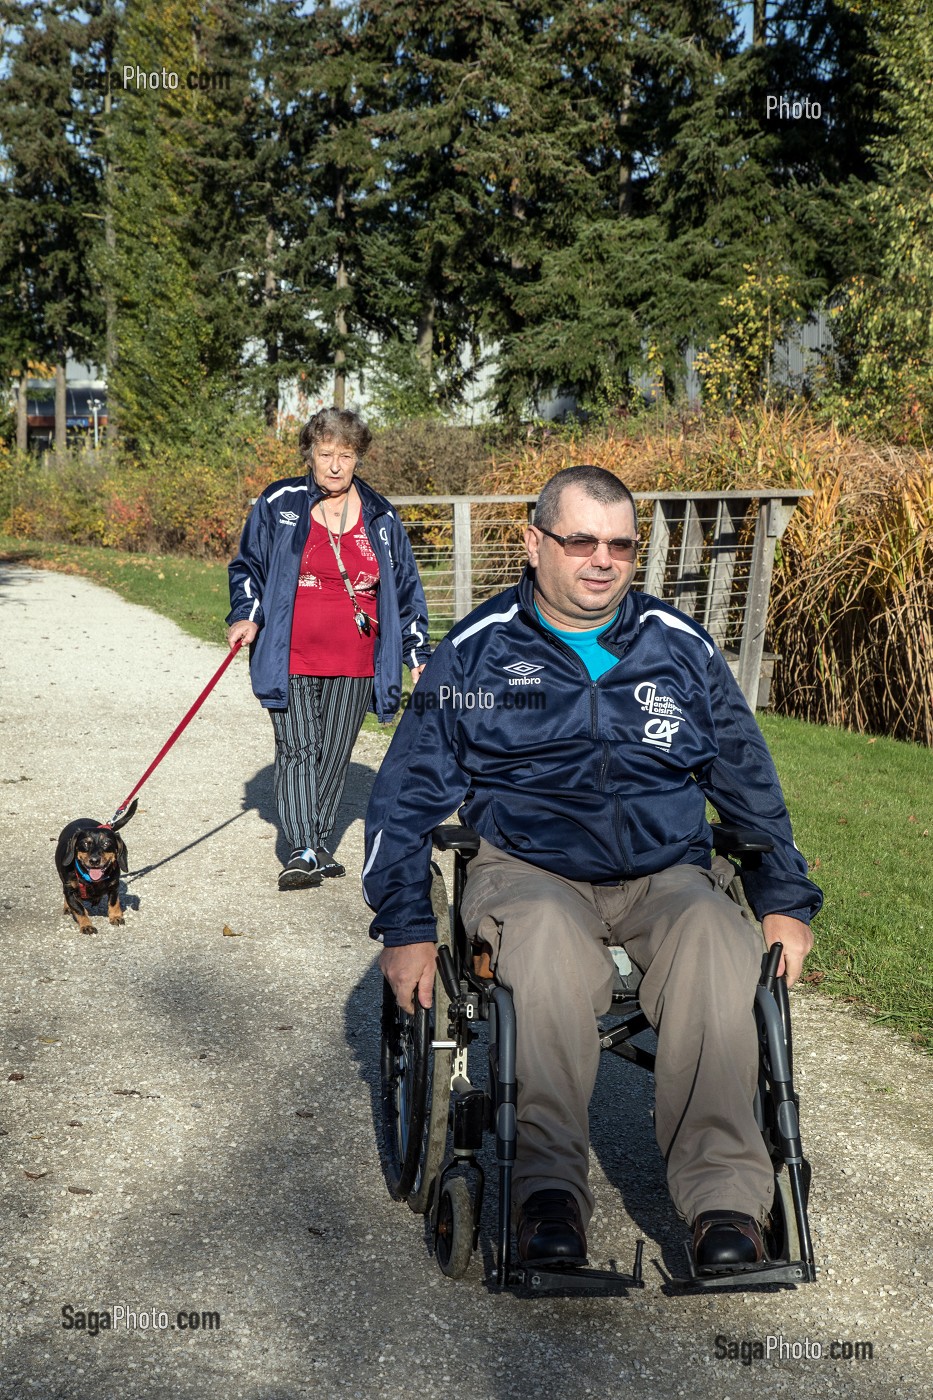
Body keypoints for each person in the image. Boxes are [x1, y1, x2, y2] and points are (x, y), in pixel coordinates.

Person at [363, 464, 821, 1273]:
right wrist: (404, 925)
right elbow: (401, 801)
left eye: (618, 544)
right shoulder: (473, 658)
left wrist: (781, 897)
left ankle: (724, 1203)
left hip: (664, 872)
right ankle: (547, 1195)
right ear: (535, 544)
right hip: (528, 870)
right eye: (580, 541)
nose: (600, 560)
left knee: (719, 939)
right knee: (540, 941)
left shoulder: (678, 647)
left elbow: (747, 781)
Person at [227, 407, 431, 891]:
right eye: (326, 454)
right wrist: (246, 616)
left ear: (358, 457)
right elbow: (248, 568)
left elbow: (404, 588)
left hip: (357, 660)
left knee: (333, 753)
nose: (336, 465)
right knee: (297, 748)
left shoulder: (381, 515)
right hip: (289, 653)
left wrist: (417, 653)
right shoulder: (280, 502)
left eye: (346, 454)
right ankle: (300, 847)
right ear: (310, 455)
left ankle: (318, 844)